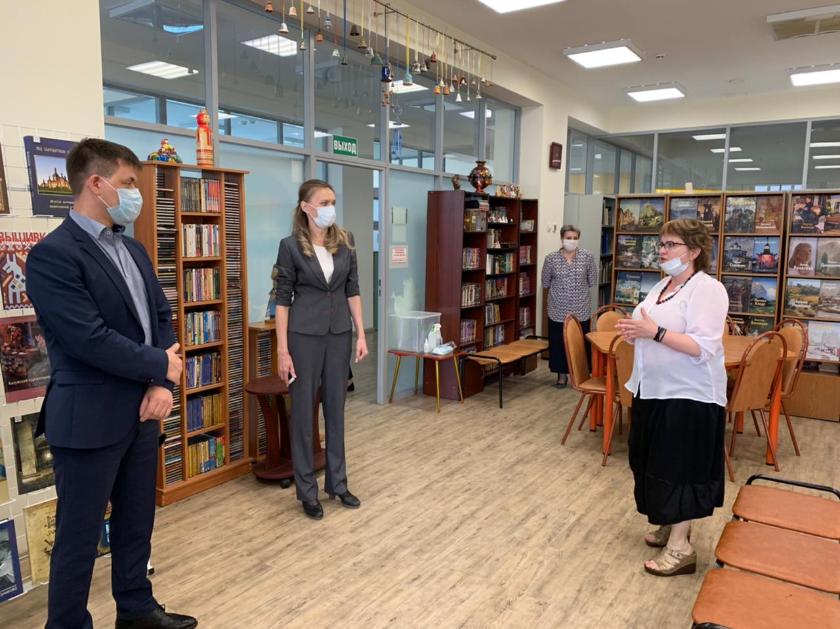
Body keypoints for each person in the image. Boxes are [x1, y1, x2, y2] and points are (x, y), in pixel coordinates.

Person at [26, 138, 197, 629]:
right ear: (97, 184)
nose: (134, 194)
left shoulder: (134, 249)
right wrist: (159, 366)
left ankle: (136, 609)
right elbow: (88, 339)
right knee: (78, 539)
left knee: (135, 522)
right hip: (88, 420)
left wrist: (162, 385)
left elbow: (161, 318)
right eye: (128, 183)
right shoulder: (53, 256)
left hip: (143, 411)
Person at [615, 218, 728, 578]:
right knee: (650, 462)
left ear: (693, 251)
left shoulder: (707, 289)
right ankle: (670, 520)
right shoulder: (663, 285)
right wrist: (636, 332)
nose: (662, 250)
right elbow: (651, 326)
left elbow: (703, 347)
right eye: (661, 243)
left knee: (678, 467)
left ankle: (681, 548)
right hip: (652, 388)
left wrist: (655, 332)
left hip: (689, 395)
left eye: (670, 244)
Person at [273, 179, 368, 520]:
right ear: (306, 207)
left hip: (339, 334)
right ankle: (307, 492)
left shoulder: (346, 241)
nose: (330, 208)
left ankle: (338, 484)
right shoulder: (290, 246)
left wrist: (361, 333)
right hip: (303, 336)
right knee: (303, 412)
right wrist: (283, 351)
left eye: (333, 202)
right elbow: (282, 301)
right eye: (324, 202)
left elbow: (352, 290)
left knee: (336, 409)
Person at [541, 225, 597, 387]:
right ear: (561, 238)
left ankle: (581, 375)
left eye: (574, 238)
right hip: (557, 309)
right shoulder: (551, 258)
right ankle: (561, 376)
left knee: (580, 344)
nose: (571, 241)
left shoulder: (587, 257)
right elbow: (545, 282)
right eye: (568, 238)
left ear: (578, 239)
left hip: (581, 309)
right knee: (559, 343)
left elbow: (592, 280)